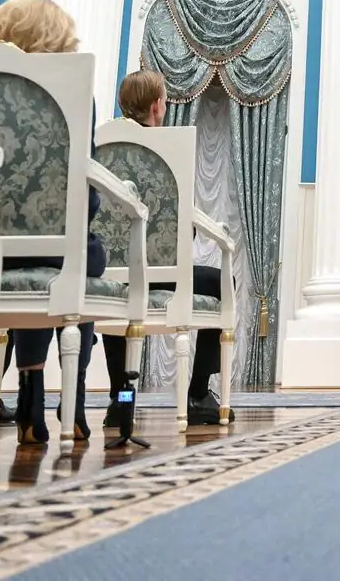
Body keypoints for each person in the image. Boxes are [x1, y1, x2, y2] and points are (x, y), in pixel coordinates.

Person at [0, 0, 108, 446]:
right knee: (80, 258)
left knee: (40, 260)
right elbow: (85, 186)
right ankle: (73, 396)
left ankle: (30, 390)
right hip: (59, 245)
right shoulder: (72, 91)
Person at [107, 70, 225, 427]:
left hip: (115, 275)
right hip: (164, 274)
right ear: (158, 106)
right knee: (223, 284)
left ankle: (120, 399)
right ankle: (198, 394)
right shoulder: (171, 151)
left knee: (121, 292)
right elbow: (186, 231)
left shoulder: (105, 146)